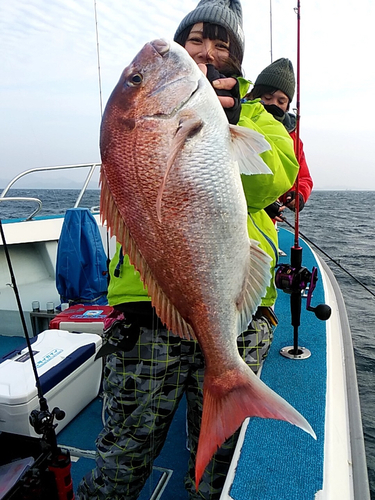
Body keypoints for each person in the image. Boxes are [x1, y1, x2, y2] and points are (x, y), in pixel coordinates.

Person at [76, 1, 299, 499]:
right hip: (148, 305)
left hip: (234, 307)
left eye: (223, 45)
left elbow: (275, 182)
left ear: (238, 60)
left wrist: (233, 121)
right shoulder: (144, 123)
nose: (206, 52)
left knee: (219, 464)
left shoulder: (261, 116)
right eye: (195, 39)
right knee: (124, 451)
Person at [246, 57, 313, 220]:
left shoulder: (293, 138)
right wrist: (262, 202)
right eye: (267, 98)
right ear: (254, 95)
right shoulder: (240, 119)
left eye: (281, 101)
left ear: (288, 105)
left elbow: (303, 178)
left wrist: (298, 194)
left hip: (267, 221)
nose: (273, 104)